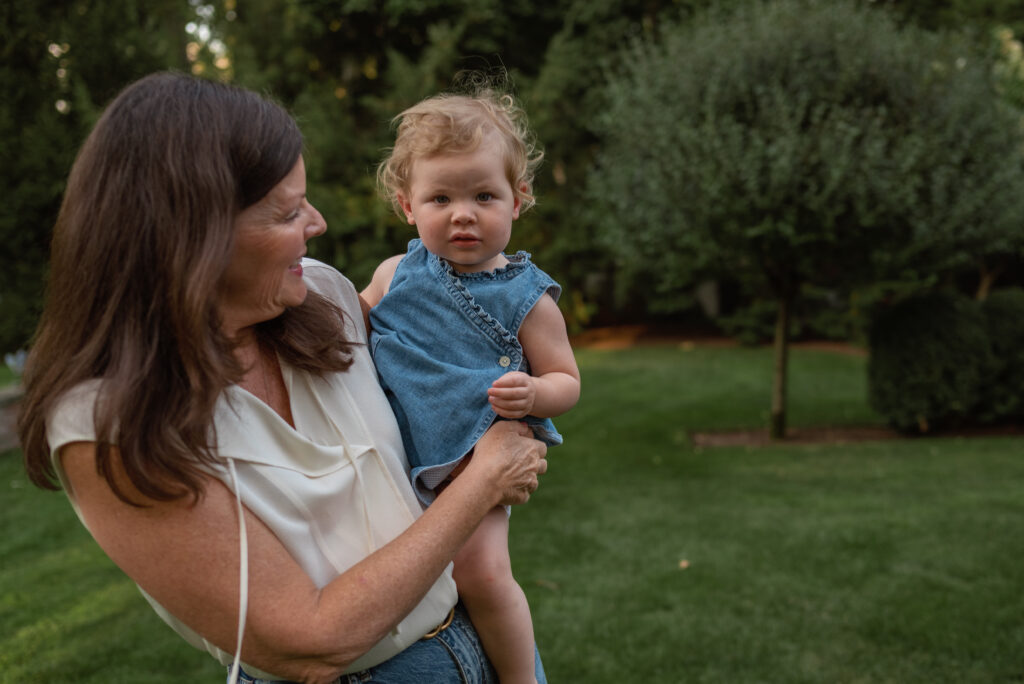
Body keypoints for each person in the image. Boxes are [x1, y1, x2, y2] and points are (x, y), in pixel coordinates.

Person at [16, 71, 550, 684]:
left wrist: (515, 404)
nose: (316, 222)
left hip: (483, 640)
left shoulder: (317, 296)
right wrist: (480, 482)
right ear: (194, 234)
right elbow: (308, 641)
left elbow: (445, 363)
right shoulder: (107, 421)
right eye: (288, 210)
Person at [361, 88, 580, 684]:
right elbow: (347, 328)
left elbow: (566, 380)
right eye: (441, 197)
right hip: (398, 456)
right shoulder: (394, 274)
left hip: (472, 461)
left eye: (484, 195)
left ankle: (518, 677)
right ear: (408, 206)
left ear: (518, 200)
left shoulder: (525, 295)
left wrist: (534, 395)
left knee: (481, 575)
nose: (463, 213)